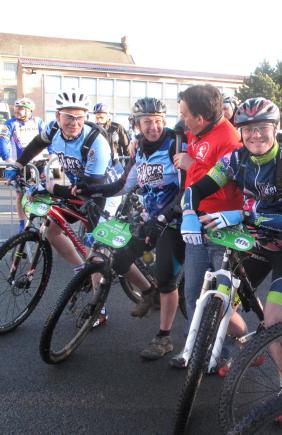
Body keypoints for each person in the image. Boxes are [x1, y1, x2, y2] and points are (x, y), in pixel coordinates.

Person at [180, 97, 282, 347]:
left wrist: (242, 216)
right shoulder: (236, 159)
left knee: (273, 324)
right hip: (256, 242)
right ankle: (250, 348)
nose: (255, 135)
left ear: (275, 127)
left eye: (263, 127)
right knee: (218, 305)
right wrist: (188, 213)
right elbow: (195, 190)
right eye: (249, 129)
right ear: (240, 131)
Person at [4, 89, 129, 327]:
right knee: (52, 231)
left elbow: (92, 187)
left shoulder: (96, 141)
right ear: (58, 115)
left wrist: (51, 188)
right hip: (79, 184)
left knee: (95, 248)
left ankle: (98, 308)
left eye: (80, 117)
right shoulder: (52, 129)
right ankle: (79, 271)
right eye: (69, 117)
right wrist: (18, 164)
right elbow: (36, 145)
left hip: (105, 189)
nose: (75, 122)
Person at [77, 97, 185, 360]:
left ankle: (164, 338)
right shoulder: (140, 150)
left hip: (175, 223)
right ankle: (149, 293)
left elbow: (185, 189)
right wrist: (91, 189)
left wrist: (162, 219)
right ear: (136, 124)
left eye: (159, 121)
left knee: (167, 281)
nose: (154, 127)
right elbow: (124, 184)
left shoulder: (175, 144)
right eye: (147, 122)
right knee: (120, 256)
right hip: (150, 221)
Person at [168, 84, 243, 368]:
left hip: (223, 228)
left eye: (185, 114)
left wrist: (192, 165)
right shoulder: (197, 132)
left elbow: (224, 189)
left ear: (200, 118)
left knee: (221, 296)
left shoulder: (229, 139)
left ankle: (222, 353)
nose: (182, 119)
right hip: (196, 223)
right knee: (193, 293)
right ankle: (192, 352)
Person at [0, 97, 47, 231]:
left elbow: (48, 138)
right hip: (20, 164)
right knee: (20, 193)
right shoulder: (10, 123)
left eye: (20, 109)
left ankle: (44, 221)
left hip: (39, 163)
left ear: (29, 110)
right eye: (15, 108)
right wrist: (8, 159)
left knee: (43, 192)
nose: (17, 111)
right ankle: (22, 222)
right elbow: (2, 141)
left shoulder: (38, 121)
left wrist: (51, 153)